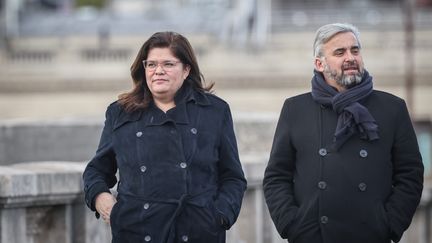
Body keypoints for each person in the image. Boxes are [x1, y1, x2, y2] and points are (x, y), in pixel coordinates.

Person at [263, 23, 424, 243]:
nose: (350, 57)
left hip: (370, 235)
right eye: (340, 52)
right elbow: (276, 177)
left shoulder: (392, 108)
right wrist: (292, 225)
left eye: (355, 50)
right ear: (320, 63)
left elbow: (410, 174)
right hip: (313, 235)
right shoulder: (295, 109)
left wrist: (389, 224)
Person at [83, 31, 247, 243]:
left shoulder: (214, 111)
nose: (158, 71)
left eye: (168, 64)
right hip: (136, 232)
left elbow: (233, 177)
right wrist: (101, 199)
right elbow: (96, 170)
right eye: (151, 65)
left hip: (197, 232)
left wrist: (220, 216)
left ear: (186, 69)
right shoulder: (121, 113)